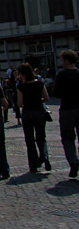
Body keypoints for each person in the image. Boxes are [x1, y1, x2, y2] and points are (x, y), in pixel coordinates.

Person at [16, 62, 51, 174]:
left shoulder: (21, 86)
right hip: (39, 112)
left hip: (27, 113)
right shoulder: (39, 84)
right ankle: (44, 156)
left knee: (29, 139)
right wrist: (38, 100)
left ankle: (33, 165)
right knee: (41, 137)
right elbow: (46, 98)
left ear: (22, 74)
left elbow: (20, 103)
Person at [53, 49, 79, 178]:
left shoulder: (62, 74)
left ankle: (73, 162)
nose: (61, 62)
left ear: (67, 61)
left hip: (67, 109)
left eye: (62, 60)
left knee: (68, 138)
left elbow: (56, 93)